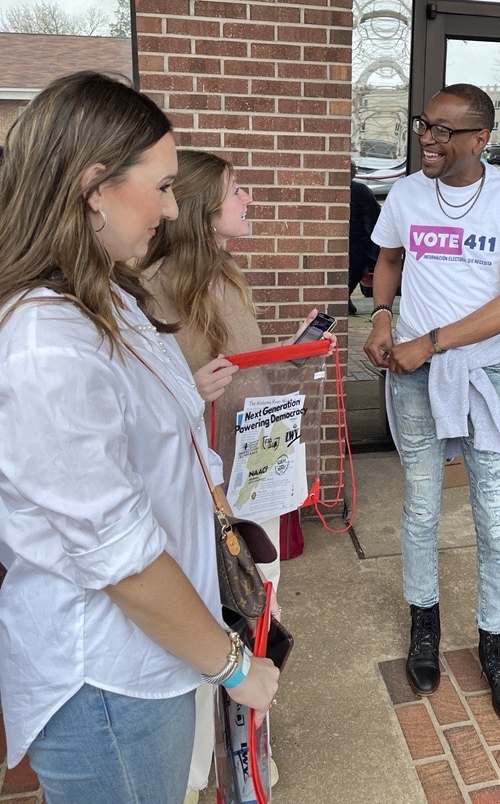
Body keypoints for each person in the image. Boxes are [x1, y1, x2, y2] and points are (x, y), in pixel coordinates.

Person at [0, 72, 278, 804]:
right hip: (109, 678)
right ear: (94, 187)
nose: (169, 207)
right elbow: (117, 554)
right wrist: (235, 667)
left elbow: (175, 446)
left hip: (153, 651)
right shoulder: (47, 341)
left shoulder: (107, 296)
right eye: (158, 187)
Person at [364, 83, 500, 728]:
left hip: (482, 377)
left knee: (494, 517)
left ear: (481, 139)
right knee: (421, 506)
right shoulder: (408, 194)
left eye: (446, 130)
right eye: (425, 125)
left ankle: (493, 641)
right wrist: (383, 318)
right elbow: (387, 260)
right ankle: (425, 624)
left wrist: (432, 343)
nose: (429, 138)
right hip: (413, 378)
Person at [140, 148, 279, 802]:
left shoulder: (217, 272)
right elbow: (142, 404)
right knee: (220, 614)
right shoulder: (154, 286)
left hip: (238, 473)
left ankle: (242, 759)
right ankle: (203, 775)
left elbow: (243, 376)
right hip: (203, 490)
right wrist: (191, 391)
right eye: (236, 190)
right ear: (202, 209)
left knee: (246, 612)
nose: (250, 199)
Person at [348, 160, 380, 315]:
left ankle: (344, 298)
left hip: (357, 241)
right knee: (356, 269)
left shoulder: (360, 189)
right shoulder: (361, 189)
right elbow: (376, 214)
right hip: (358, 242)